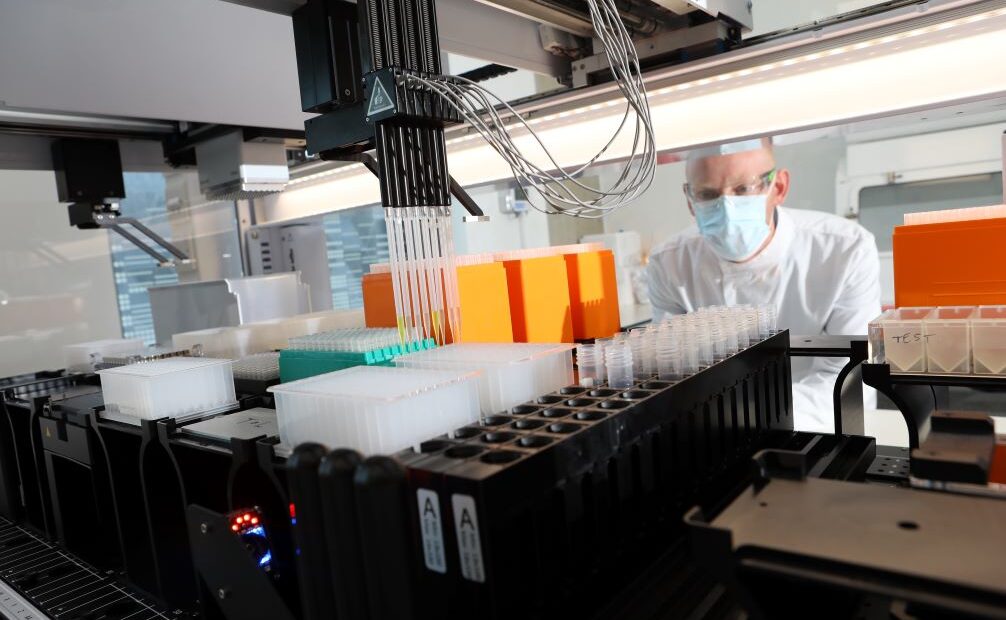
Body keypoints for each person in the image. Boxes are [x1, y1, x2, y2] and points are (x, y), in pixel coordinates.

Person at [646, 138, 881, 432]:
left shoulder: (844, 250)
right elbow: (675, 369)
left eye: (743, 189)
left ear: (778, 188)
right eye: (707, 194)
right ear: (690, 200)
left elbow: (848, 374)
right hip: (713, 429)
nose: (726, 208)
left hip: (819, 424)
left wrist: (757, 417)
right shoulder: (669, 264)